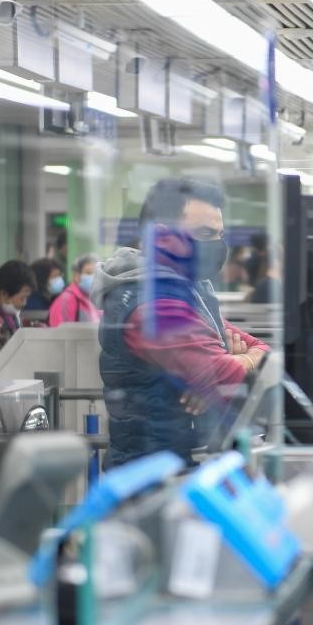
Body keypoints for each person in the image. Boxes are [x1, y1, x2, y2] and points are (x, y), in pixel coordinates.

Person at [92, 178, 269, 468]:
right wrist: (237, 363)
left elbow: (262, 351)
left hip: (184, 462)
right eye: (204, 233)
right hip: (150, 475)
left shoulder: (189, 291)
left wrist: (227, 365)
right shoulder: (152, 304)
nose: (217, 245)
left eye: (220, 235)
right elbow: (223, 375)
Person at [49, 254, 101, 327]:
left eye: (97, 274)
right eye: (89, 273)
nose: (94, 277)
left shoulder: (94, 299)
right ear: (76, 276)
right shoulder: (66, 300)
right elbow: (59, 331)